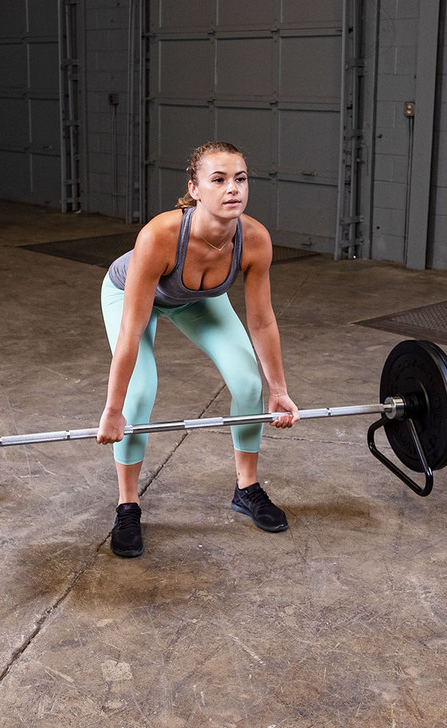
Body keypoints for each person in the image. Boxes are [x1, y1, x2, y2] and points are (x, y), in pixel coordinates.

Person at [97, 141, 299, 557]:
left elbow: (261, 321)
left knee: (247, 382)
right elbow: (131, 333)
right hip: (131, 296)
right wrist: (113, 409)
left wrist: (278, 389)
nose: (233, 189)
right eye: (219, 180)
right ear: (195, 189)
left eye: (240, 179)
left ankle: (247, 488)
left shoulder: (255, 238)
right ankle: (127, 504)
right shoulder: (160, 236)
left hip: (198, 299)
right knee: (139, 393)